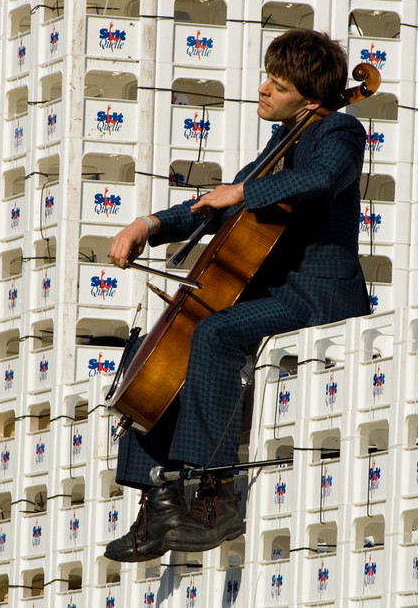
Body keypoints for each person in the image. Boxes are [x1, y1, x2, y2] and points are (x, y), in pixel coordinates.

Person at [104, 29, 370, 562]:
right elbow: (215, 206)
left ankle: (215, 492)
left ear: (311, 97)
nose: (264, 88)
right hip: (273, 291)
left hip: (317, 294)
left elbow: (321, 180)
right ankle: (159, 499)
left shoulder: (340, 130)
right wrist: (149, 223)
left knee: (216, 333)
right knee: (148, 349)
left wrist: (244, 191)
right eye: (267, 76)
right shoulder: (279, 143)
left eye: (279, 82)